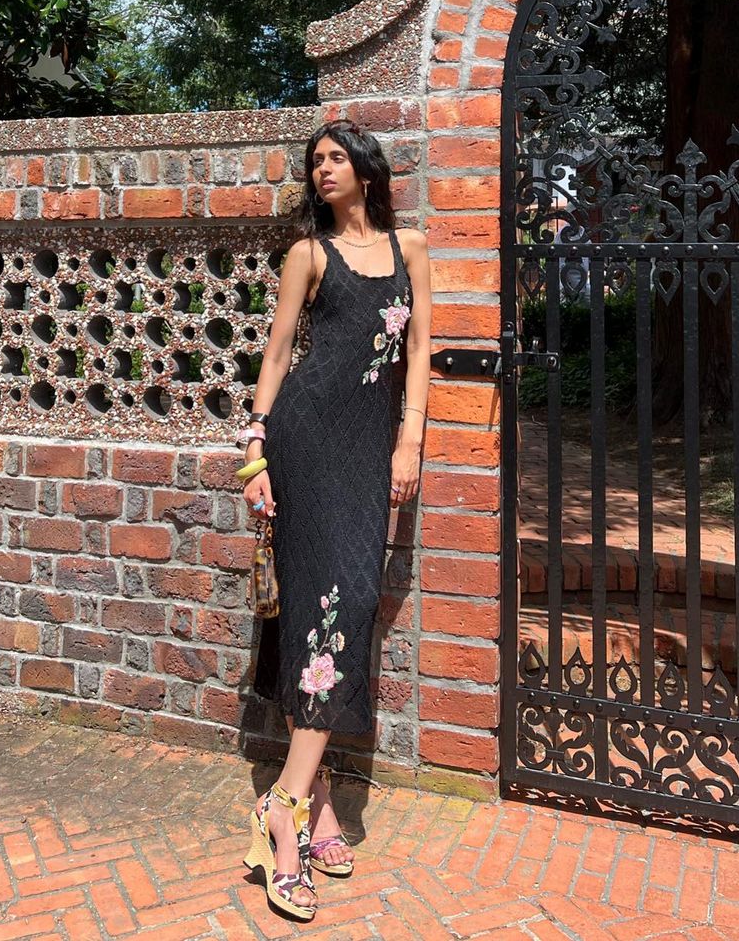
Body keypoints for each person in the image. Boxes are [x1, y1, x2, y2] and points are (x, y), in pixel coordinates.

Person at [238, 119, 432, 919]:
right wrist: (255, 448)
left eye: (335, 158)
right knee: (326, 608)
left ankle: (304, 801)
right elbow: (279, 350)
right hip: (304, 441)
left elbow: (419, 353)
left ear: (366, 171)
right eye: (314, 160)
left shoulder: (409, 249)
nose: (322, 169)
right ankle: (289, 808)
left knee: (347, 605)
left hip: (369, 450)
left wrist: (410, 440)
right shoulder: (307, 255)